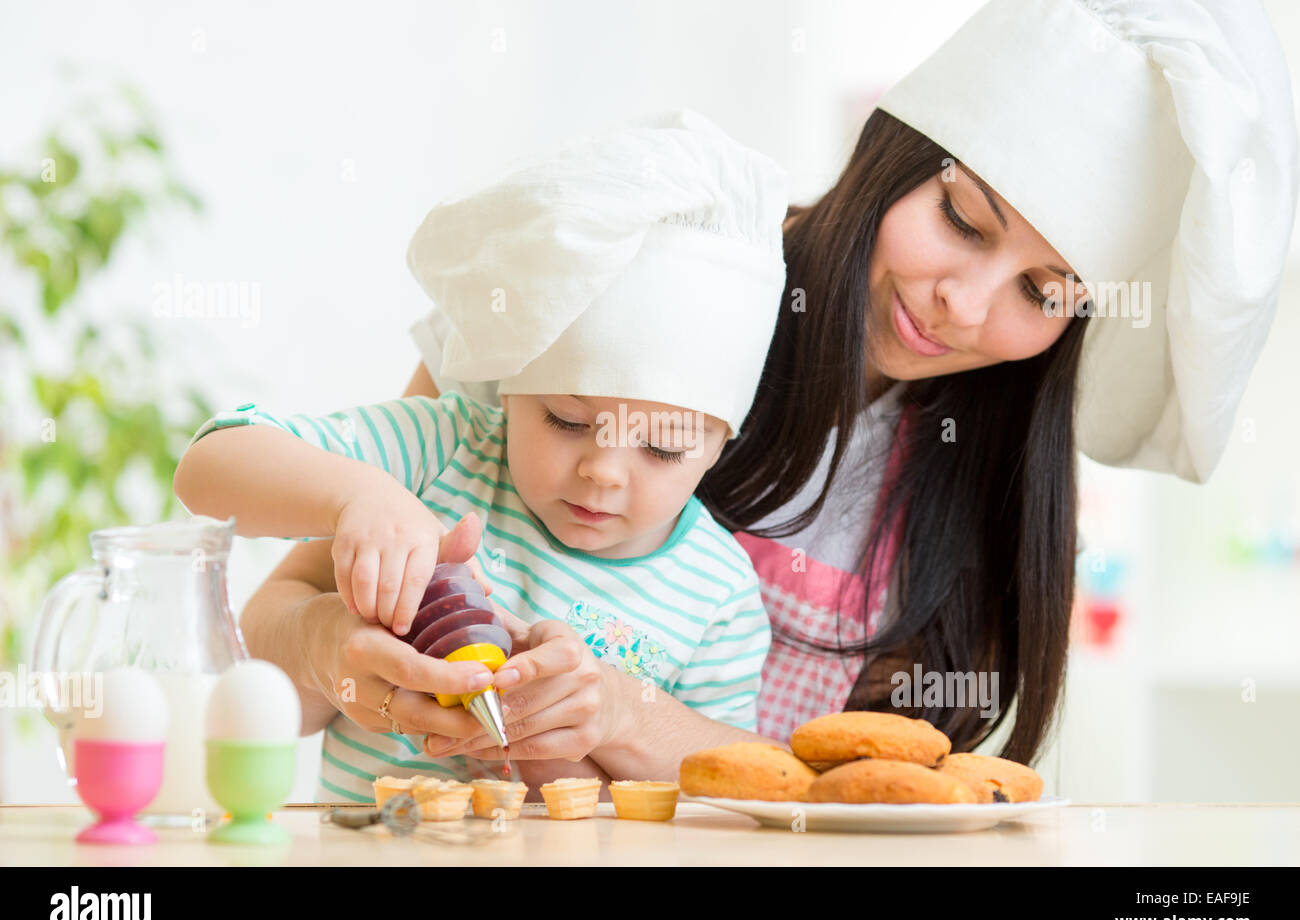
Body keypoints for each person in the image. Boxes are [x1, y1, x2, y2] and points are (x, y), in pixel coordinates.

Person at [231, 0, 1298, 783]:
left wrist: (625, 713)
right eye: (962, 219)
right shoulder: (640, 272)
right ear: (891, 148)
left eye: (1039, 288)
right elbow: (279, 638)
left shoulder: (982, 478)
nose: (963, 303)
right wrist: (332, 651)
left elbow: (841, 795)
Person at [173, 112, 791, 798]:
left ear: (720, 443)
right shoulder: (445, 449)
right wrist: (363, 497)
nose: (604, 471)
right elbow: (207, 469)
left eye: (662, 446)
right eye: (564, 419)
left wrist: (575, 731)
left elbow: (733, 791)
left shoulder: (718, 595)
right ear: (509, 389)